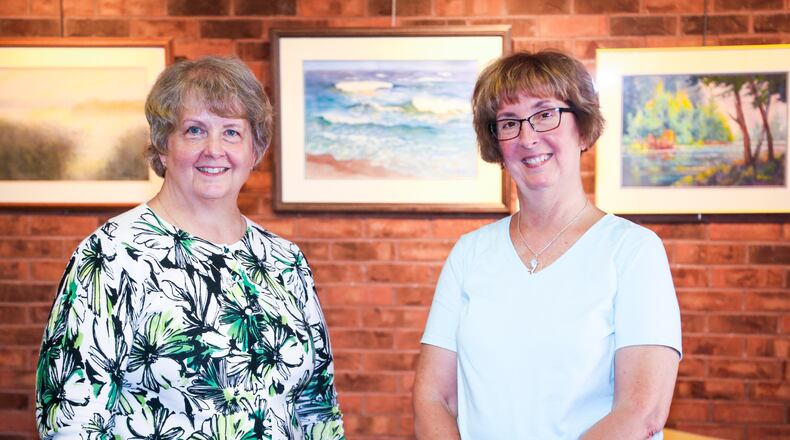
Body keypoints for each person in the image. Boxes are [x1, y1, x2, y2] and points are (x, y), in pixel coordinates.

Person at [36, 56, 344, 439]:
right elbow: (71, 421)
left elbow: (318, 408)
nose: (214, 149)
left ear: (255, 150)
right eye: (195, 130)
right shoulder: (111, 255)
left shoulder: (284, 260)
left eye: (232, 132)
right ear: (163, 146)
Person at [413, 50, 682, 440]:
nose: (527, 137)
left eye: (544, 114)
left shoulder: (634, 251)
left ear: (583, 128)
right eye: (509, 122)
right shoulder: (469, 254)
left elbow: (642, 412)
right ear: (496, 144)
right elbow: (433, 397)